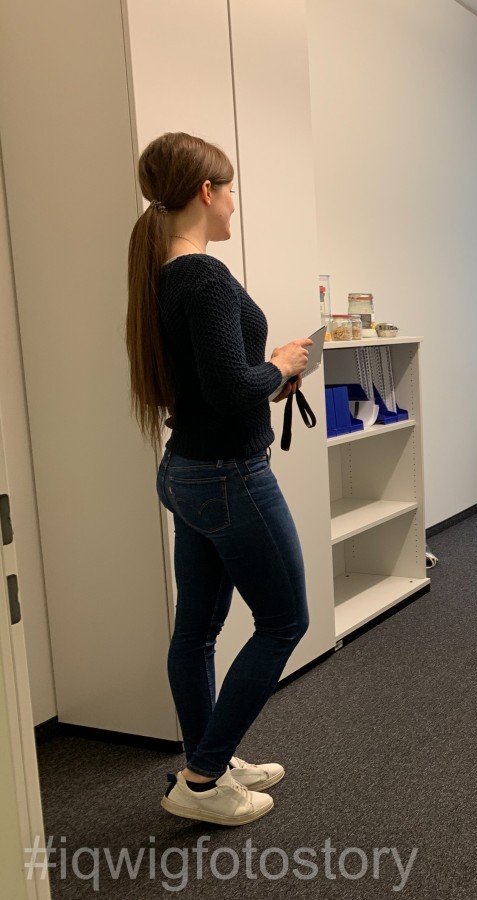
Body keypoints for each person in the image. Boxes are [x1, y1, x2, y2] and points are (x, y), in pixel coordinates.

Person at [125, 132, 313, 826]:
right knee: (286, 620)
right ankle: (203, 778)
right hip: (229, 478)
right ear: (206, 193)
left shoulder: (167, 273)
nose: (234, 202)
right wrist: (285, 365)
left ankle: (206, 757)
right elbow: (235, 386)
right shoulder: (200, 275)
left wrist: (267, 380)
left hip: (190, 473)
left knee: (198, 629)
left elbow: (212, 387)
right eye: (229, 188)